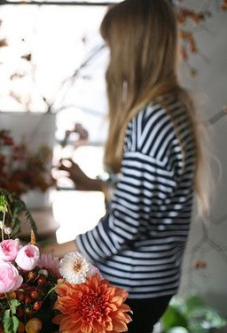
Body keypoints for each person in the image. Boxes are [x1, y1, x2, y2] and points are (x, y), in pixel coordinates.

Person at [46, 0, 210, 332]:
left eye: (112, 48)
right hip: (154, 283)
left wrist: (51, 253)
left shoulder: (151, 118)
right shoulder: (172, 107)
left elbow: (124, 225)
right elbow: (152, 195)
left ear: (131, 49)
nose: (109, 60)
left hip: (132, 288)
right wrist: (96, 184)